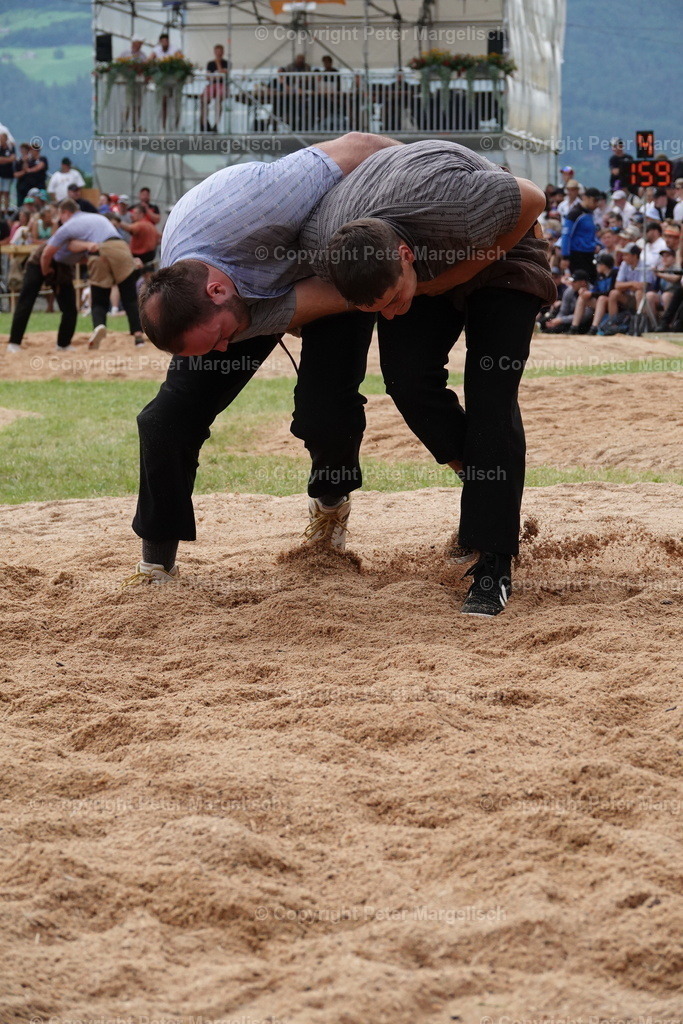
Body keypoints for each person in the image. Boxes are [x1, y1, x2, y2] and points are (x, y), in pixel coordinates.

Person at [127, 133, 402, 585]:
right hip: (253, 299)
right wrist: (248, 325)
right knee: (167, 420)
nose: (221, 351)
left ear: (216, 291)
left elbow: (360, 144)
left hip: (337, 270)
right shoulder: (185, 289)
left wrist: (433, 168)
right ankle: (156, 562)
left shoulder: (261, 200)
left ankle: (330, 507)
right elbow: (215, 335)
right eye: (210, 346)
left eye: (217, 339)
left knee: (326, 412)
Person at [40, 198, 145, 349]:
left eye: (59, 215)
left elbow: (49, 252)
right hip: (120, 248)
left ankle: (99, 326)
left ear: (65, 212)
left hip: (98, 251)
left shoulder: (68, 226)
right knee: (129, 296)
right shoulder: (96, 217)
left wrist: (46, 272)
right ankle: (138, 336)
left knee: (99, 298)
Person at [6, 242, 77, 353]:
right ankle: (14, 343)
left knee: (70, 308)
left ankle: (64, 344)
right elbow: (45, 255)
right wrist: (45, 270)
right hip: (39, 262)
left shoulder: (90, 240)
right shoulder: (67, 234)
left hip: (63, 265)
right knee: (26, 302)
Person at [560, 186, 600, 281]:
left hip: (589, 254)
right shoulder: (575, 213)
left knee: (592, 281)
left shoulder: (591, 214)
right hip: (577, 255)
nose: (597, 204)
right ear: (586, 198)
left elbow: (591, 234)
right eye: (595, 200)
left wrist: (596, 244)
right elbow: (566, 235)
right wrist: (565, 256)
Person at [200, 44, 229, 132]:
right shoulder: (210, 63)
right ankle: (204, 121)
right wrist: (216, 75)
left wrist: (218, 63)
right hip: (211, 85)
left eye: (220, 51)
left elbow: (223, 75)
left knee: (218, 100)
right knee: (204, 100)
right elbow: (208, 76)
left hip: (221, 85)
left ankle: (216, 123)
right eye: (217, 51)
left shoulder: (226, 63)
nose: (218, 53)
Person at [0, 132, 16, 212]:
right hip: (1, 174)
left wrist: (3, 159)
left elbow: (13, 158)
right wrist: (8, 159)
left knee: (6, 192)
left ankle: (6, 210)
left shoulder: (10, 148)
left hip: (8, 174)